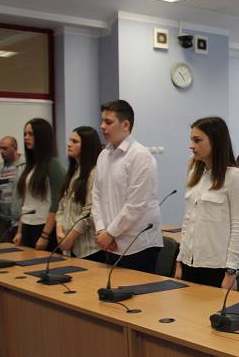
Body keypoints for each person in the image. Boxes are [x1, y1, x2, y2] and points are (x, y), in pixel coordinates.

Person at [176, 117, 239, 288]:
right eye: (191, 140)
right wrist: (179, 260)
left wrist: (231, 271)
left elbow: (238, 227)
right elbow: (188, 220)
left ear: (215, 141)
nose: (191, 146)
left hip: (216, 268)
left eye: (197, 140)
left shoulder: (234, 176)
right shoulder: (194, 173)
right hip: (188, 263)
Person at [91, 100, 162, 272]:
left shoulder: (140, 156)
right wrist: (101, 231)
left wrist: (110, 233)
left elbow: (136, 205)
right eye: (102, 121)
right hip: (110, 242)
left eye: (108, 122)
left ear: (125, 125)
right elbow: (96, 196)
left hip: (137, 245)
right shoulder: (103, 156)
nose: (102, 126)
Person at [13, 119, 64, 251]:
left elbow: (57, 203)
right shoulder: (31, 165)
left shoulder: (53, 164)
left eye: (31, 134)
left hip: (43, 227)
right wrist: (19, 231)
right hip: (26, 225)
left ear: (42, 137)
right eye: (25, 134)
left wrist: (45, 235)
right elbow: (25, 203)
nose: (26, 138)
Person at [56, 126, 101, 260]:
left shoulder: (94, 173)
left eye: (75, 141)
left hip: (88, 249)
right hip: (67, 245)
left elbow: (89, 211)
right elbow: (61, 206)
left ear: (87, 146)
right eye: (70, 140)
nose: (69, 144)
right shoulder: (74, 171)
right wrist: (59, 231)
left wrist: (70, 238)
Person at [0, 135, 24, 238]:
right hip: (3, 219)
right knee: (2, 247)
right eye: (0, 148)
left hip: (19, 219)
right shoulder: (0, 167)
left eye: (5, 148)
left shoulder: (24, 165)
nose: (1, 151)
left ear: (15, 147)